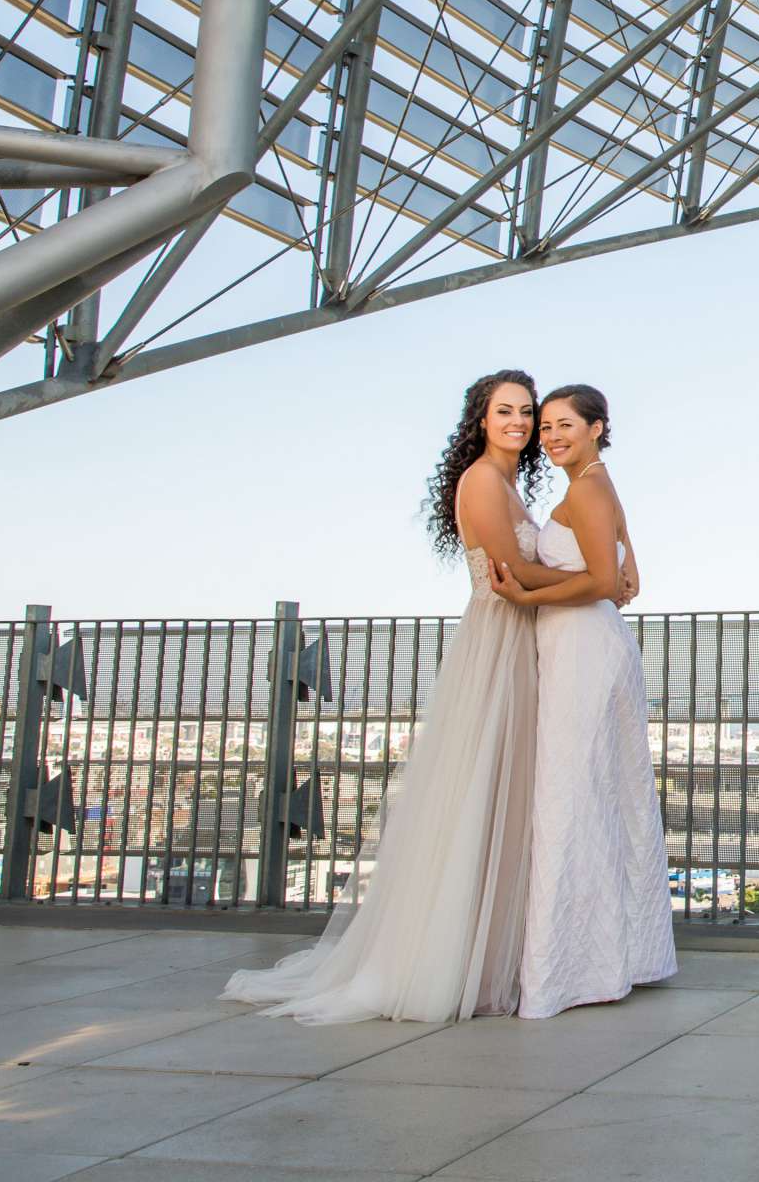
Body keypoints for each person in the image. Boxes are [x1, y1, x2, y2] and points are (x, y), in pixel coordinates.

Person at [221, 371, 547, 1022]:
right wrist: (596, 574)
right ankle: (448, 960)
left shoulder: (506, 481)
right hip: (499, 639)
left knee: (500, 794)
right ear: (480, 419)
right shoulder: (483, 481)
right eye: (503, 410)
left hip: (514, 640)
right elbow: (517, 573)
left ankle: (485, 954)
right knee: (482, 790)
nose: (517, 420)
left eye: (526, 411)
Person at [492, 383, 678, 1015]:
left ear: (598, 426)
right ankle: (609, 959)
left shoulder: (589, 489)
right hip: (589, 644)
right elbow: (625, 570)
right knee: (601, 791)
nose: (550, 436)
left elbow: (601, 581)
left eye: (564, 425)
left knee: (570, 794)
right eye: (544, 427)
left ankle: (566, 972)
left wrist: (524, 596)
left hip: (582, 646)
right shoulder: (596, 484)